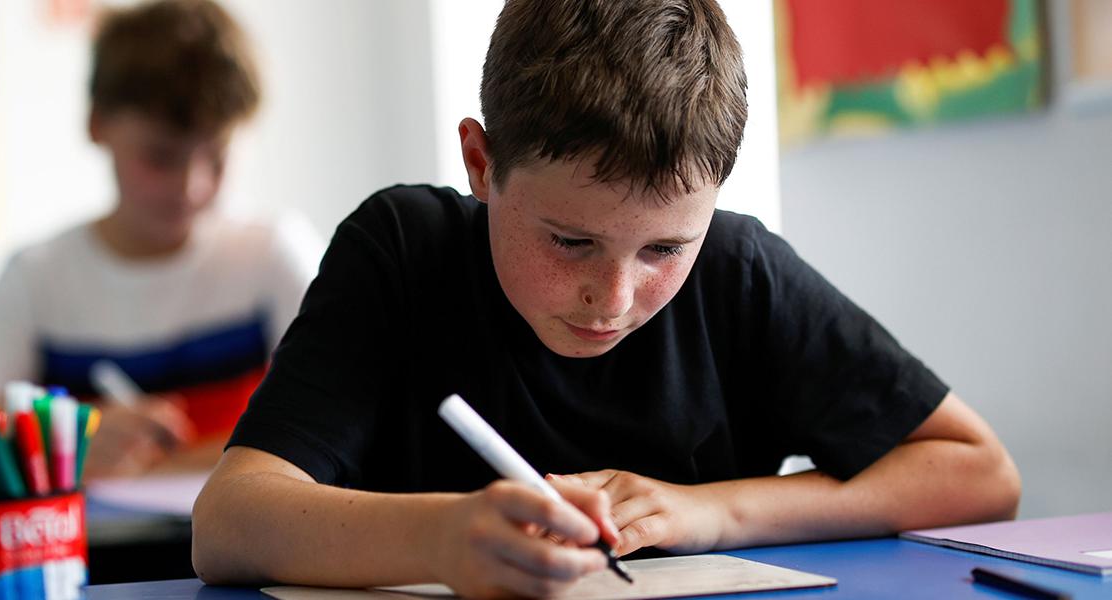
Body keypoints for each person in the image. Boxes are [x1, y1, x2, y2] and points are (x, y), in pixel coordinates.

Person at [192, 0, 1020, 596]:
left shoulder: (736, 268)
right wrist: (442, 538)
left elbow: (979, 474)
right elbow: (227, 525)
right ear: (481, 165)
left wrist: (711, 514)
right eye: (570, 242)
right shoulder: (403, 251)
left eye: (665, 248)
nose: (614, 299)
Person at [0, 0, 320, 480]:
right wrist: (72, 437)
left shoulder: (273, 257)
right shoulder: (38, 277)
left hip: (253, 552)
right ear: (97, 124)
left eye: (217, 156)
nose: (191, 186)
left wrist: (158, 463)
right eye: (160, 157)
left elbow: (344, 414)